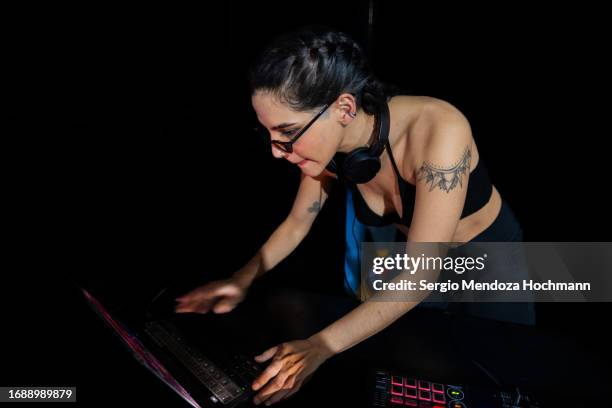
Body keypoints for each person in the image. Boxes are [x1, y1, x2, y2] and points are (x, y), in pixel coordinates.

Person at [174, 25, 530, 406]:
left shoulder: (440, 129)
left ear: (344, 108)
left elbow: (419, 276)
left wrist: (321, 346)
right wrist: (241, 279)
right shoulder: (324, 147)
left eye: (288, 133)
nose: (278, 152)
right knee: (424, 375)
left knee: (506, 378)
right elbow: (298, 223)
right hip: (413, 259)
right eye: (270, 135)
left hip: (487, 259)